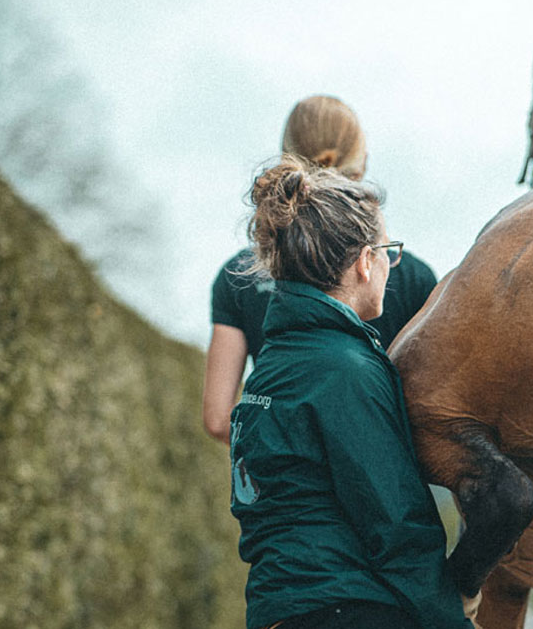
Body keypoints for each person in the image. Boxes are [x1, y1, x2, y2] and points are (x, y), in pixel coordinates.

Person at [229, 156, 475, 629]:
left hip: (276, 608)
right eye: (388, 251)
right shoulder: (347, 369)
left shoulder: (272, 369)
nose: (390, 264)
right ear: (365, 262)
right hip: (349, 608)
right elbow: (398, 525)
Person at [202, 95, 437, 444]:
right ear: (361, 164)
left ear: (286, 158)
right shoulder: (412, 276)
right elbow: (431, 408)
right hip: (381, 474)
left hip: (284, 488)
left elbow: (219, 419)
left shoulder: (239, 275)